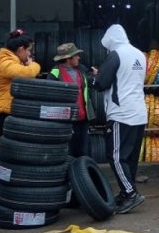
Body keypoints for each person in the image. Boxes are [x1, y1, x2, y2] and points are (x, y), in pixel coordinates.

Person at [91, 24, 148, 214]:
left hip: (121, 112)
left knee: (115, 156)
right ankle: (127, 193)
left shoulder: (115, 55)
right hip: (139, 112)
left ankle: (130, 193)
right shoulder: (140, 54)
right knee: (130, 157)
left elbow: (101, 83)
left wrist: (95, 77)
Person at [0, 29, 40, 138]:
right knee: (12, 150)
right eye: (28, 50)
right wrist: (33, 64)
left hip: (7, 112)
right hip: (5, 114)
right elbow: (27, 73)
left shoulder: (11, 60)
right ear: (21, 49)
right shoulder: (5, 62)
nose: (29, 54)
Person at [48, 42, 97, 158]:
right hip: (66, 120)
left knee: (83, 152)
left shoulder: (81, 69)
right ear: (68, 59)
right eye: (76, 56)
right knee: (68, 152)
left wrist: (94, 76)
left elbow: (87, 83)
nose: (78, 58)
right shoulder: (54, 73)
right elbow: (51, 96)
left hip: (83, 119)